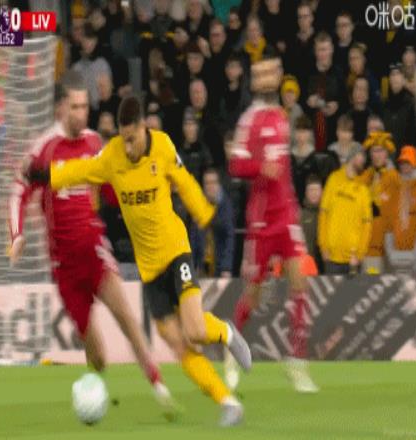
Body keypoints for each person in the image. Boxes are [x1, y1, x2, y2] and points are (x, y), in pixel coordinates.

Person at [27, 94, 252, 427]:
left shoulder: (162, 146)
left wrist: (205, 214)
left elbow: (185, 182)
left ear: (143, 127)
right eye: (123, 138)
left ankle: (227, 333)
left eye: (132, 138)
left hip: (176, 251)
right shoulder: (113, 155)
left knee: (195, 330)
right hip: (149, 270)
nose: (128, 146)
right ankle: (228, 402)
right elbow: (80, 170)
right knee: (177, 344)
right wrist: (45, 174)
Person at [8, 72, 176, 419]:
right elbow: (18, 190)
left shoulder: (95, 143)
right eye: (75, 107)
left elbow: (114, 187)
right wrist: (17, 234)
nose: (82, 113)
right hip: (65, 268)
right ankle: (92, 393)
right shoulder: (44, 150)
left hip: (94, 251)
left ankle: (160, 387)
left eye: (85, 106)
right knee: (98, 357)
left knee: (127, 317)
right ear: (60, 108)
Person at [228, 56, 319, 393]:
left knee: (300, 286)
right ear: (256, 82)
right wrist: (259, 169)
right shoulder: (249, 120)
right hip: (261, 221)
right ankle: (231, 351)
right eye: (264, 74)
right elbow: (235, 165)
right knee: (252, 297)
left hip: (286, 216)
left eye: (274, 73)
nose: (270, 78)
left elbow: (283, 168)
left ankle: (296, 364)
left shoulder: (282, 116)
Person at [318, 144, 372, 275]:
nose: (364, 161)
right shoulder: (333, 179)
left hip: (352, 259)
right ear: (353, 156)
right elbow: (323, 214)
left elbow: (367, 224)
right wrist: (323, 246)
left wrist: (360, 254)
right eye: (362, 157)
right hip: (331, 257)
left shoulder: (363, 189)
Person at [384, 146, 416, 273]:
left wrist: (415, 255)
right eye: (402, 163)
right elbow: (389, 225)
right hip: (398, 259)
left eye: (408, 163)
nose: (404, 166)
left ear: (415, 164)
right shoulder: (396, 189)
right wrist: (391, 253)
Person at [360, 131, 400, 274]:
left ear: (387, 153)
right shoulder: (365, 176)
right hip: (371, 245)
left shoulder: (395, 178)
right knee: (371, 282)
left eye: (380, 151)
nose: (377, 155)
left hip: (391, 244)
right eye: (374, 151)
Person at [191, 168, 235, 278]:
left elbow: (229, 239)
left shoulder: (225, 207)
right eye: (207, 183)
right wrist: (192, 266)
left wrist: (226, 267)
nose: (210, 186)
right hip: (202, 266)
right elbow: (193, 238)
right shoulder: (198, 205)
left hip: (220, 266)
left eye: (213, 182)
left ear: (218, 184)